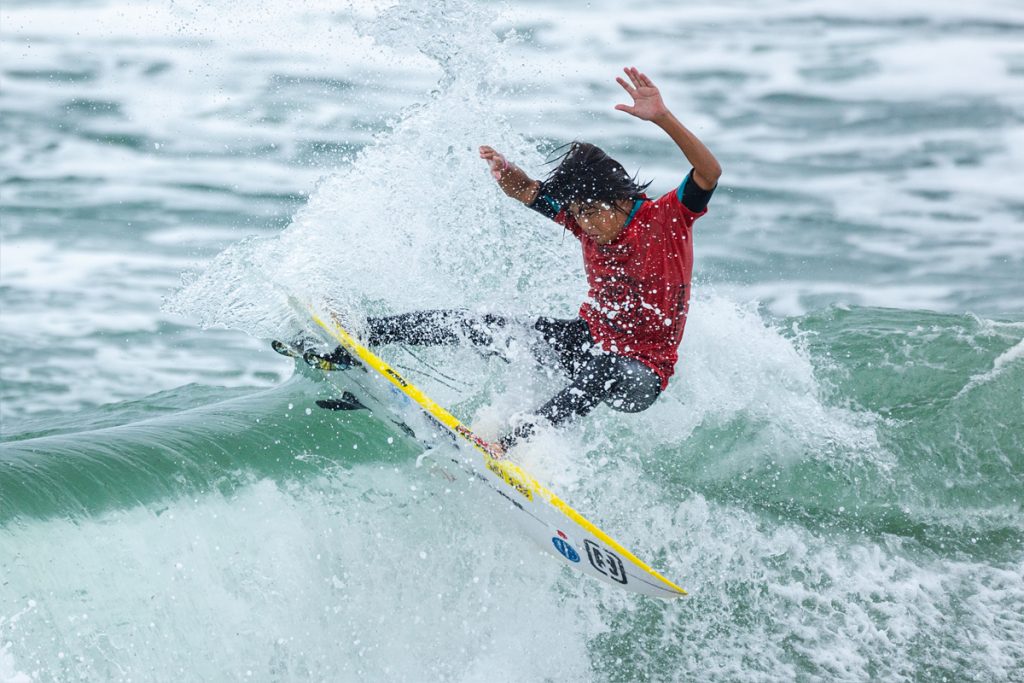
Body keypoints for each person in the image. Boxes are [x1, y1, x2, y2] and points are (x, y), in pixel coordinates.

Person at [302, 66, 721, 454]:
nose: (585, 225)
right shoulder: (582, 219)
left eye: (592, 213)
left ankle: (509, 445)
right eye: (576, 215)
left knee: (604, 369)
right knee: (484, 324)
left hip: (640, 372)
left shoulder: (666, 219)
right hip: (586, 339)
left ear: (619, 200)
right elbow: (528, 192)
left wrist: (662, 117)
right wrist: (509, 174)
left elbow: (709, 173)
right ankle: (363, 335)